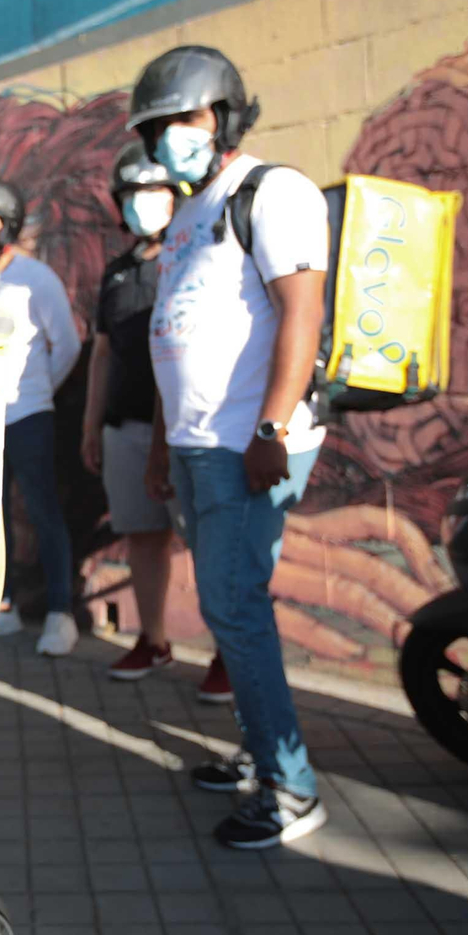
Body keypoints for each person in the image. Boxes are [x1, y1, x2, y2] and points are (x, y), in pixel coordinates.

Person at [128, 45, 330, 849]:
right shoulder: (185, 215)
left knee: (234, 606)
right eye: (156, 127)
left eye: (183, 118)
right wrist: (160, 444)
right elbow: (170, 335)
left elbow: (302, 313)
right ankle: (259, 752)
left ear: (225, 115)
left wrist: (271, 428)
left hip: (247, 441)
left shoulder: (273, 192)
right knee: (230, 609)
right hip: (194, 443)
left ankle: (292, 789)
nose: (168, 138)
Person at [83, 141, 231, 703]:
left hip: (188, 428)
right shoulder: (118, 272)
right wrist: (91, 426)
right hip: (125, 430)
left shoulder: (193, 255)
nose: (143, 202)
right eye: (133, 193)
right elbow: (102, 353)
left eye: (154, 190)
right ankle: (153, 640)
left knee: (207, 543)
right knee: (143, 537)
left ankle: (229, 654)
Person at [0, 180, 81, 655]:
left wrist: (38, 393)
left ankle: (60, 614)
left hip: (29, 416)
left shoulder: (35, 279)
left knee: (43, 511)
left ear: (9, 225)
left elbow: (67, 345)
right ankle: (2, 607)